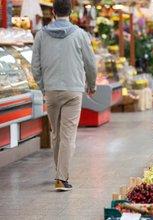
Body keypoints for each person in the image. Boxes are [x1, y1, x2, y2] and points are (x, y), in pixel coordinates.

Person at [31, 0, 97, 191]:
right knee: (68, 135)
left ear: (53, 12)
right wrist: (91, 84)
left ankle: (59, 172)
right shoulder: (80, 34)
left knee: (56, 133)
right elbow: (90, 63)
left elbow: (35, 66)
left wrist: (44, 86)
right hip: (73, 91)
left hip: (51, 91)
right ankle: (61, 177)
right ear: (70, 12)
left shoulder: (41, 35)